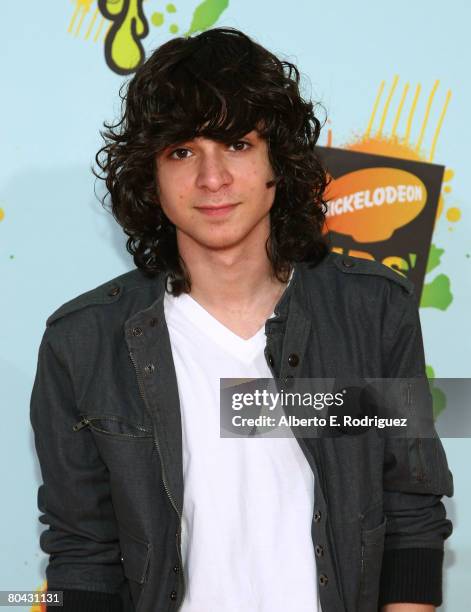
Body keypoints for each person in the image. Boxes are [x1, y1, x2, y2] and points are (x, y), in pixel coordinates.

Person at [30, 27, 453, 612]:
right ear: (151, 175)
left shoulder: (372, 311)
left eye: (236, 145)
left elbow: (411, 511)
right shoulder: (81, 345)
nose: (212, 179)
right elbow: (83, 559)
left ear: (277, 160)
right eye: (182, 151)